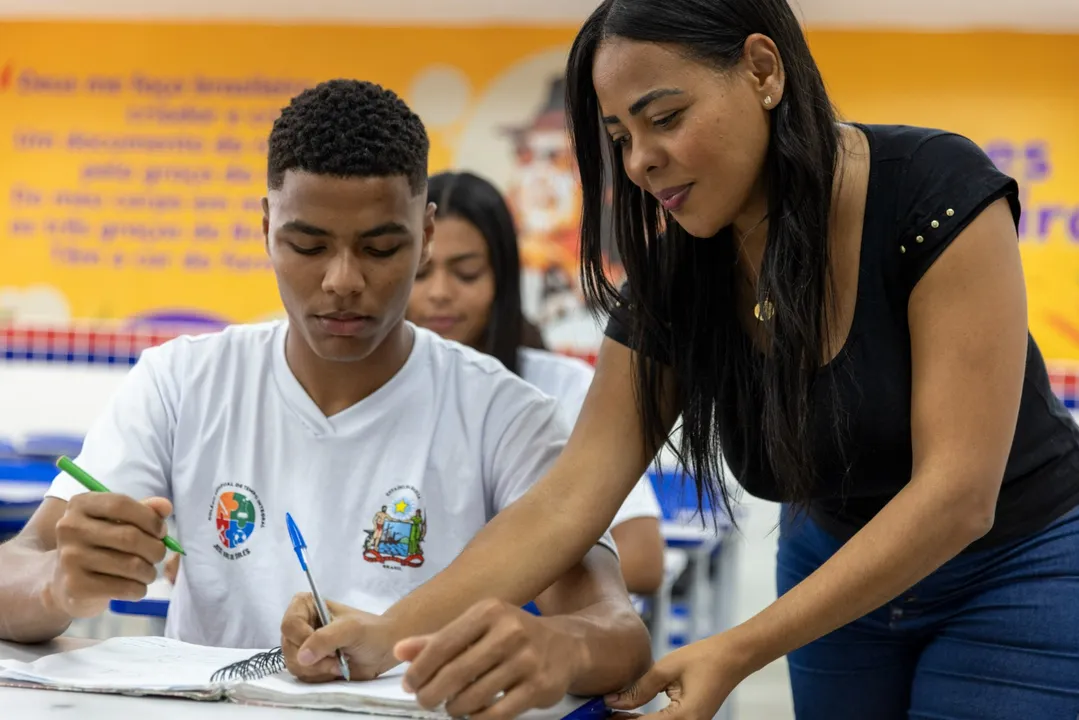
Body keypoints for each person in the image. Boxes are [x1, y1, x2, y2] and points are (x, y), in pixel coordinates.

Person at [308, 3, 1079, 719]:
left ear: (762, 71)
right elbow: (569, 497)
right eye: (619, 139)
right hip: (837, 561)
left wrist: (736, 648)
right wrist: (387, 632)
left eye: (665, 118)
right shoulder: (677, 272)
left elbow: (954, 495)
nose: (640, 162)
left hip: (1015, 564)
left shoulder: (933, 193)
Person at [0, 79, 651, 716]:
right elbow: (18, 570)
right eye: (307, 245)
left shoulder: (505, 416)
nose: (342, 281)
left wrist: (556, 645)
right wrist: (61, 583)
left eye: (381, 247)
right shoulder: (180, 383)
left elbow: (618, 630)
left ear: (426, 234)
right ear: (264, 226)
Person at [407, 170, 665, 595]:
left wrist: (454, 595)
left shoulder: (561, 391)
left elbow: (640, 560)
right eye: (420, 274)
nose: (439, 292)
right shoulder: (374, 394)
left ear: (504, 280)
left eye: (467, 273)